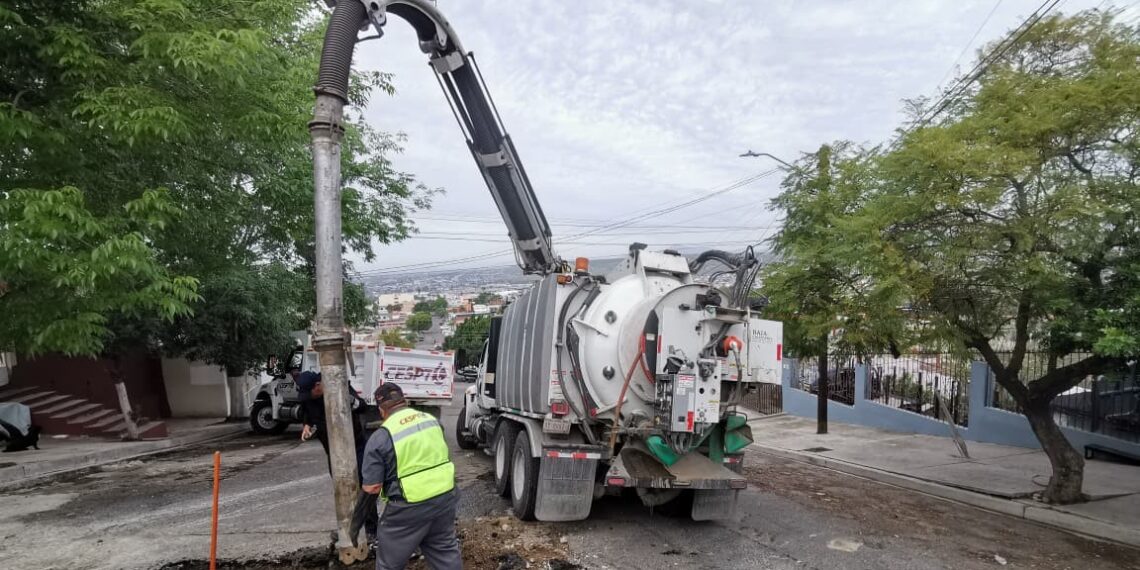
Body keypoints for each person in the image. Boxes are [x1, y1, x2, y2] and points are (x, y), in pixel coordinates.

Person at [362, 383, 461, 570]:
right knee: (444, 551)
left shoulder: (381, 437)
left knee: (389, 562)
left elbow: (372, 488)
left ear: (381, 410)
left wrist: (356, 524)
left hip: (409, 506)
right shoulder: (431, 420)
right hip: (445, 497)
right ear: (404, 401)